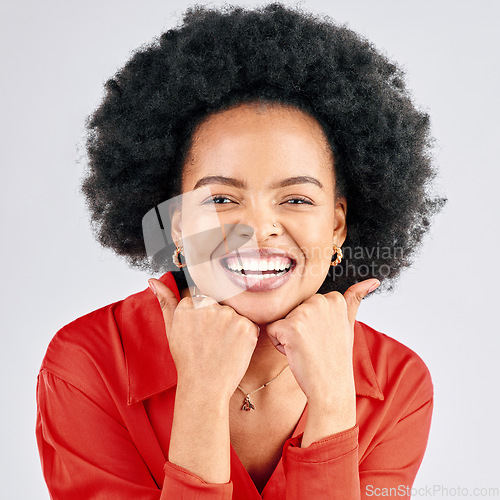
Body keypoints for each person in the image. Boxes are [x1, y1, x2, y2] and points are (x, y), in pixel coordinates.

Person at [35, 3, 446, 499]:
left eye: (295, 198)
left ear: (337, 226)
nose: (258, 228)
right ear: (180, 225)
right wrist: (201, 398)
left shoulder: (397, 384)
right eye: (222, 199)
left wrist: (335, 405)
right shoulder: (89, 363)